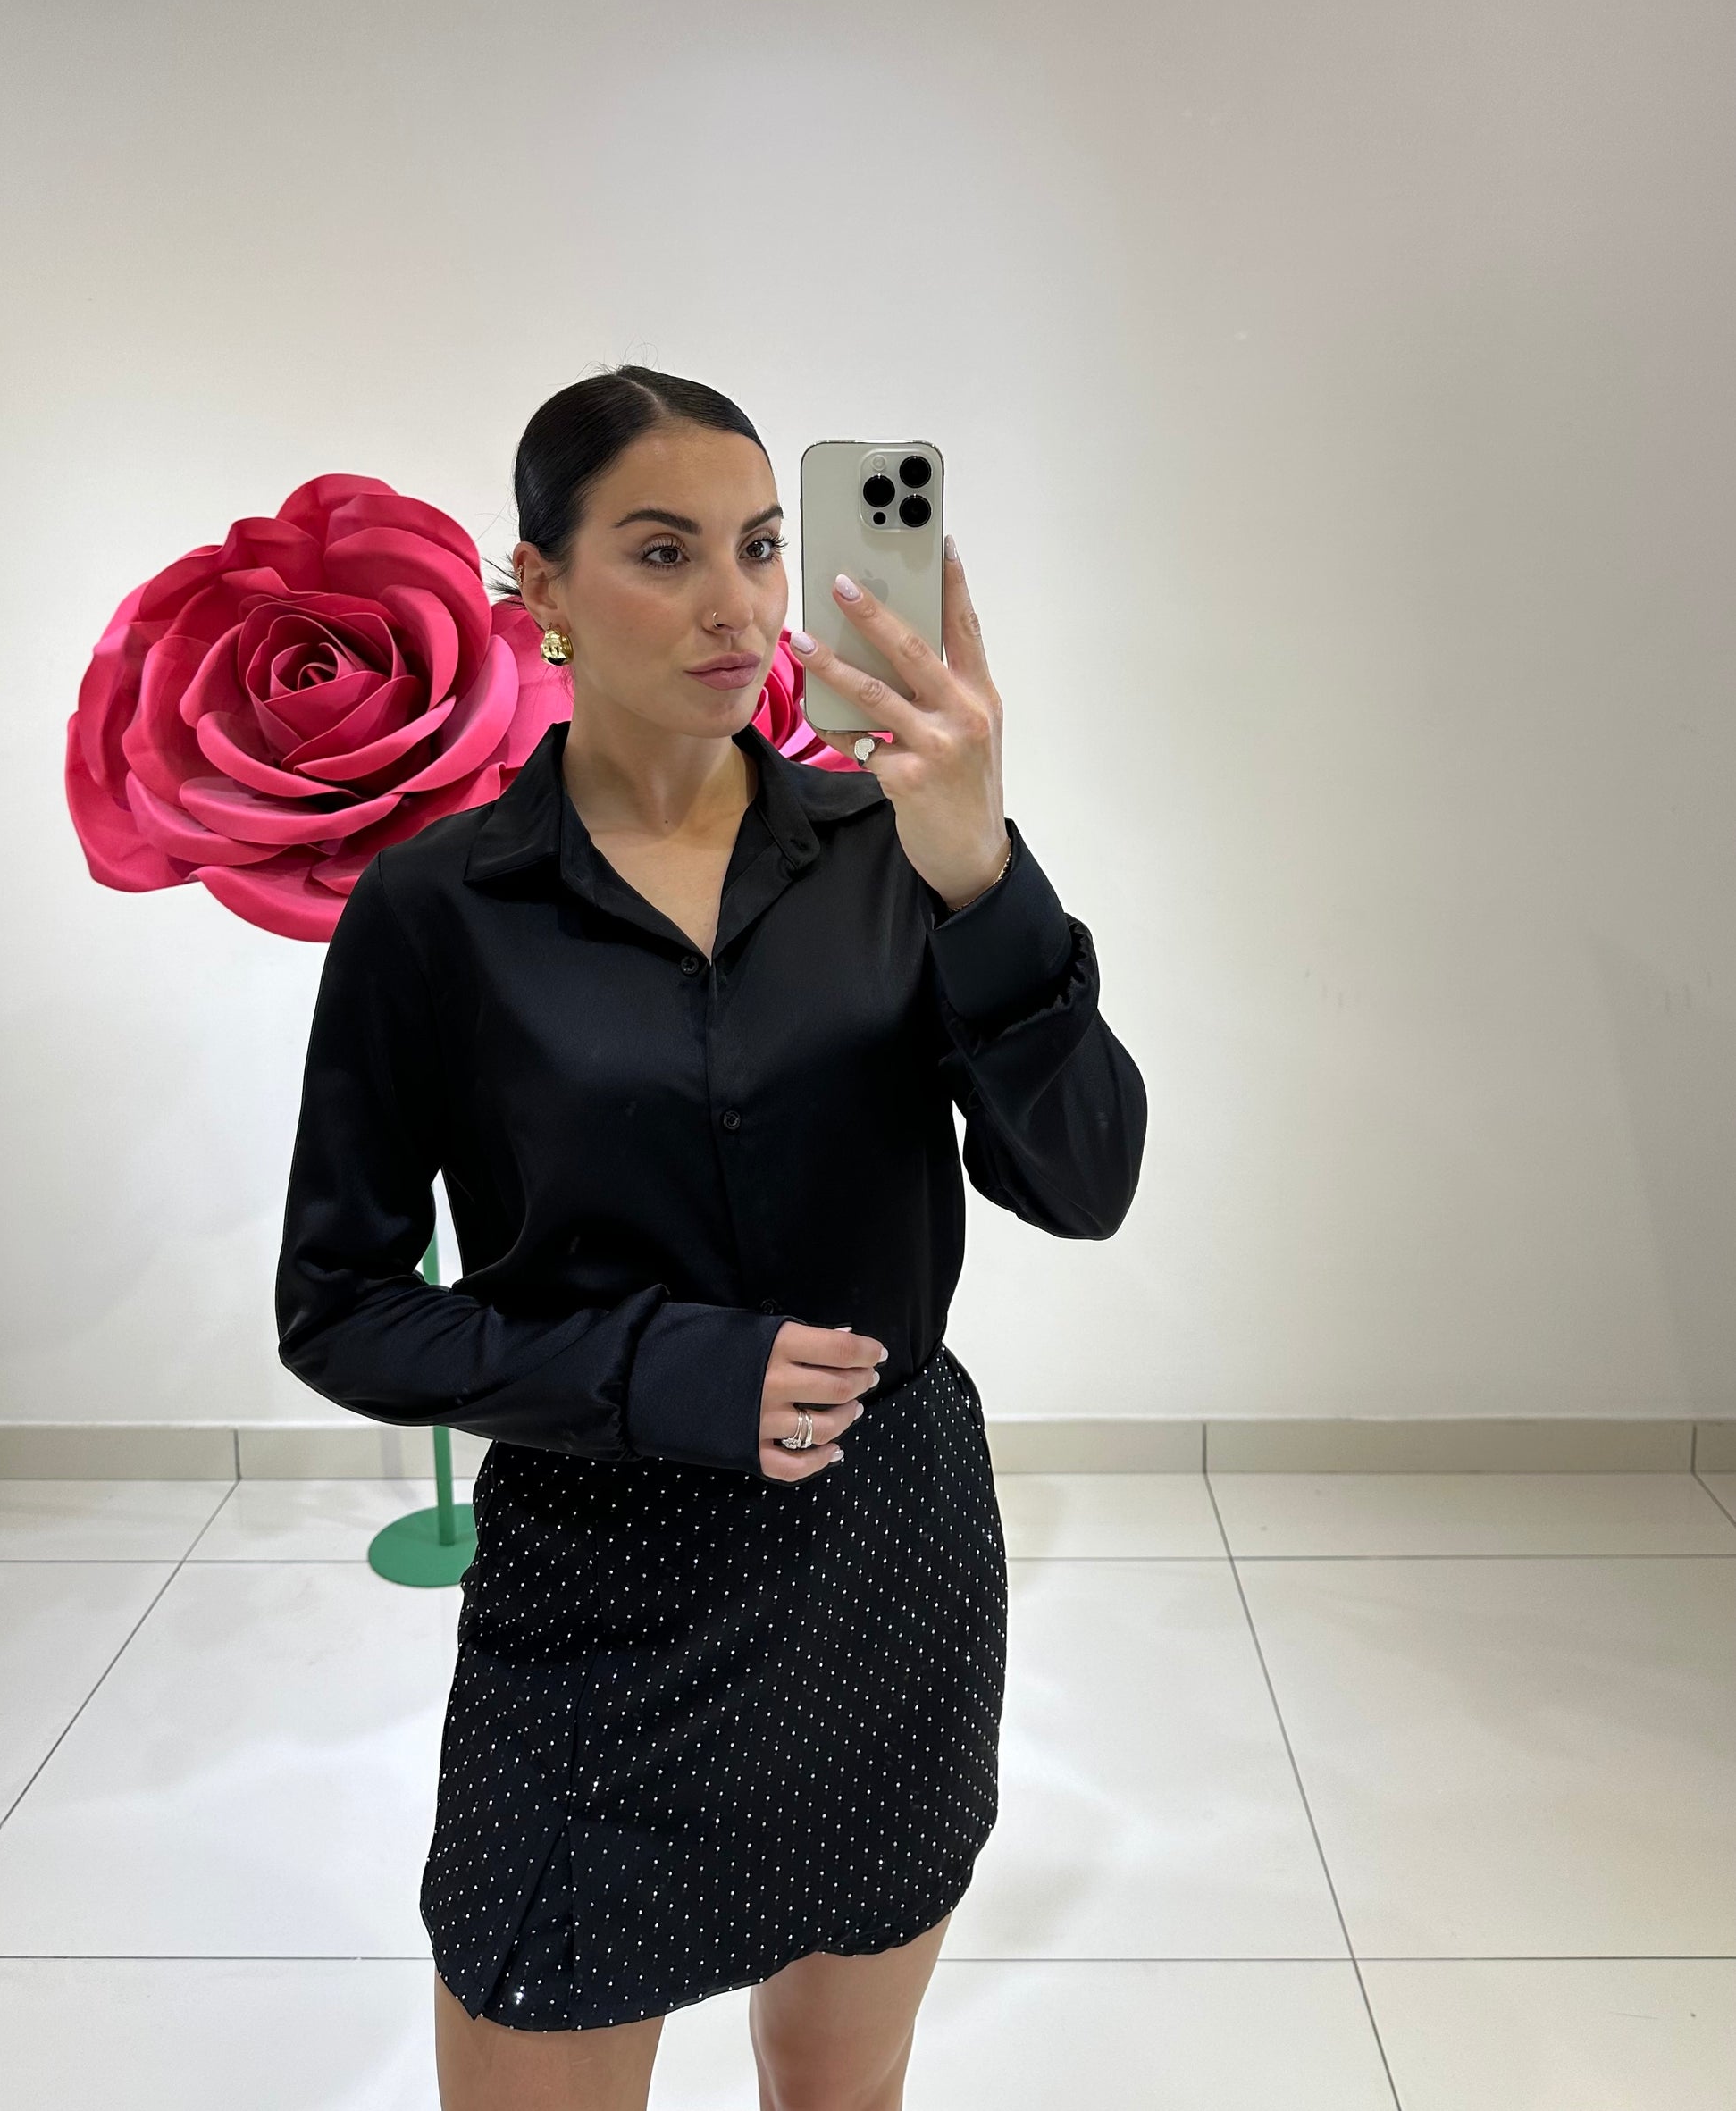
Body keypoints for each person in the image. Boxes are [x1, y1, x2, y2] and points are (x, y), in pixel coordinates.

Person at [276, 365, 1146, 2111]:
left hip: (886, 1566)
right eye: (663, 551)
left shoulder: (899, 854)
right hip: (598, 1581)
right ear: (540, 585)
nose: (736, 606)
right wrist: (654, 1368)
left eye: (758, 546)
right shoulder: (438, 912)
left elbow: (1084, 1180)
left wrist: (983, 876)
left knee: (840, 2087)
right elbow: (341, 1307)